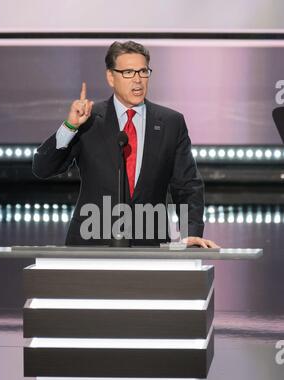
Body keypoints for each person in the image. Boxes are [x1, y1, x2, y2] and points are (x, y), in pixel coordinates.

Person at [33, 40, 219, 248]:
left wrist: (189, 234)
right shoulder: (89, 119)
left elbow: (187, 186)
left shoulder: (170, 123)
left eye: (143, 71)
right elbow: (42, 168)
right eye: (129, 72)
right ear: (111, 77)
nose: (138, 80)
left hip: (149, 245)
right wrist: (70, 126)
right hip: (90, 243)